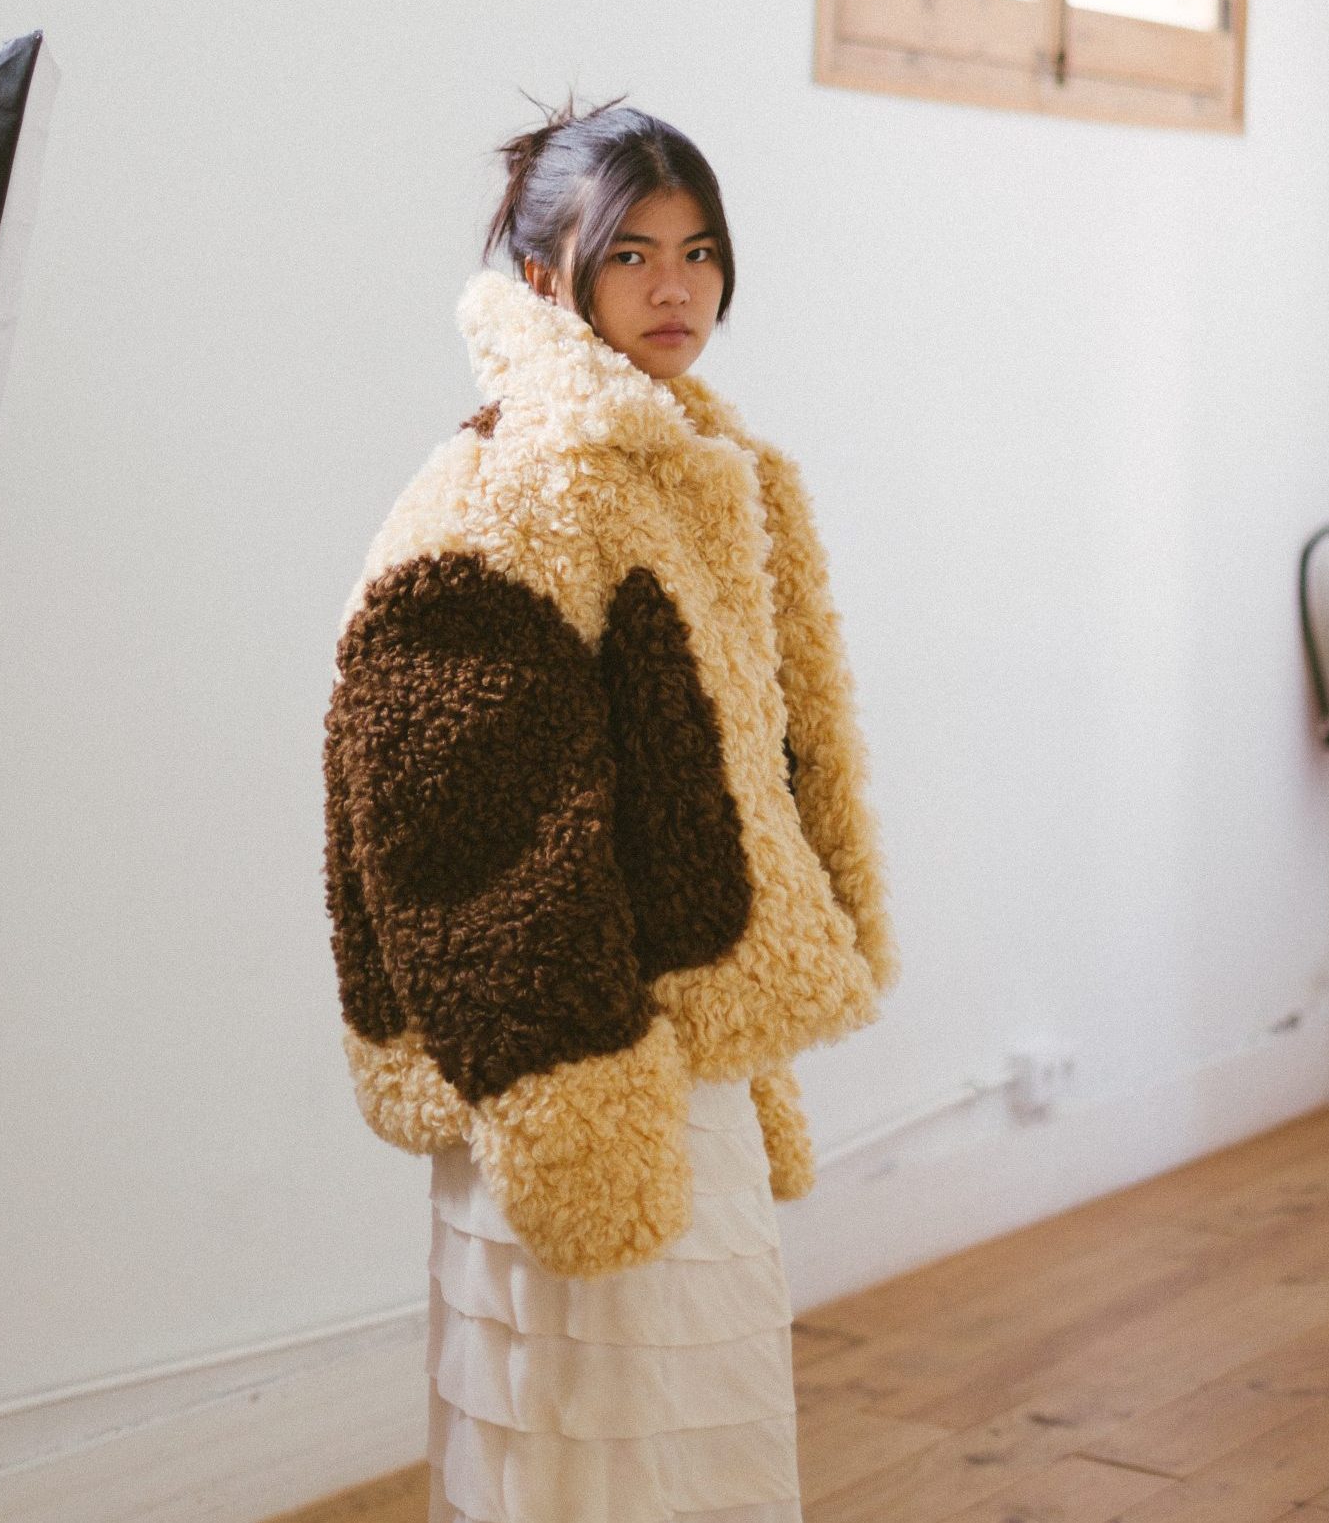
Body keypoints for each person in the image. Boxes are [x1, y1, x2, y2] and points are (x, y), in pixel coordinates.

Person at [321, 92, 901, 1523]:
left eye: (698, 252)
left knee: (679, 1426)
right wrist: (576, 1098)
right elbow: (461, 837)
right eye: (631, 254)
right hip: (580, 1070)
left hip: (681, 1040)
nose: (676, 287)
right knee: (579, 1429)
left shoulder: (684, 466)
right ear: (544, 275)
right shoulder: (518, 485)